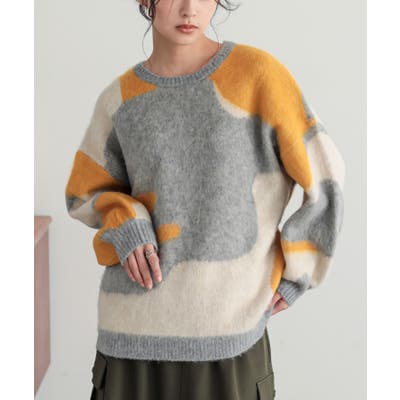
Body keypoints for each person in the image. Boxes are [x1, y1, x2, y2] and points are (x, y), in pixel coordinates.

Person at [64, 0, 346, 399]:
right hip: (130, 339)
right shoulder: (119, 99)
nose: (189, 9)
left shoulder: (257, 76)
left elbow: (326, 175)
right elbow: (83, 192)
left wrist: (301, 272)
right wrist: (124, 218)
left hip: (229, 339)